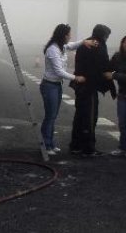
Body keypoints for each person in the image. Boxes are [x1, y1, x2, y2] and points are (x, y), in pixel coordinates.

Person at [39, 24, 96, 155]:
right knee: (50, 116)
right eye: (69, 34)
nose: (70, 37)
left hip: (56, 85)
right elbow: (58, 71)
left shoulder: (62, 46)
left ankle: (50, 144)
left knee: (53, 116)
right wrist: (75, 78)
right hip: (49, 86)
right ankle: (46, 145)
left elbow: (72, 45)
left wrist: (84, 42)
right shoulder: (53, 49)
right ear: (63, 35)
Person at [69, 24, 116, 157]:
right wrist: (115, 63)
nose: (107, 38)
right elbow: (104, 65)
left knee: (79, 116)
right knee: (89, 117)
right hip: (89, 86)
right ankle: (88, 148)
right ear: (103, 35)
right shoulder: (97, 45)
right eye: (107, 35)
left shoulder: (86, 42)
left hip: (81, 85)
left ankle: (76, 145)